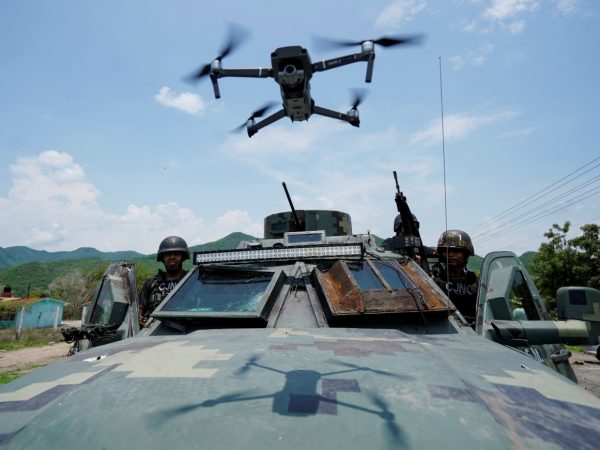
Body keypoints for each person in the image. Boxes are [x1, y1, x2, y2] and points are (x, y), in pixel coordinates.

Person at [139, 236, 190, 327]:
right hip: (154, 331)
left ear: (182, 257)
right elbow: (140, 313)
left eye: (176, 254)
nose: (172, 257)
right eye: (168, 254)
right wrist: (142, 322)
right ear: (162, 258)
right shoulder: (151, 284)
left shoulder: (191, 281)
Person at [433, 229, 478, 325]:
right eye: (446, 251)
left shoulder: (474, 282)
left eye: (457, 251)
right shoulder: (433, 281)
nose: (450, 255)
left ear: (466, 254)